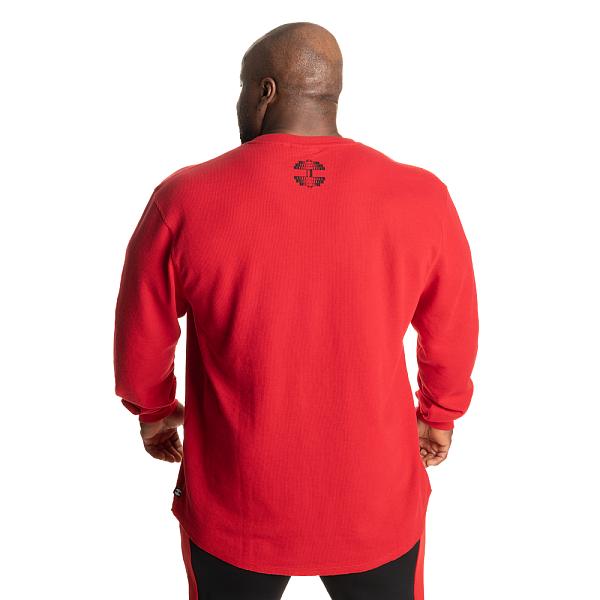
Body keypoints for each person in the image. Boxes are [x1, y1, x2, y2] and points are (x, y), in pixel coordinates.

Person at [113, 21, 479, 600]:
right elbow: (453, 328)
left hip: (237, 499)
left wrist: (154, 411)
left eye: (241, 87)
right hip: (374, 500)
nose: (238, 101)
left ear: (265, 91)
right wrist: (438, 415)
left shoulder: (184, 198)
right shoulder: (421, 195)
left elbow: (141, 332)